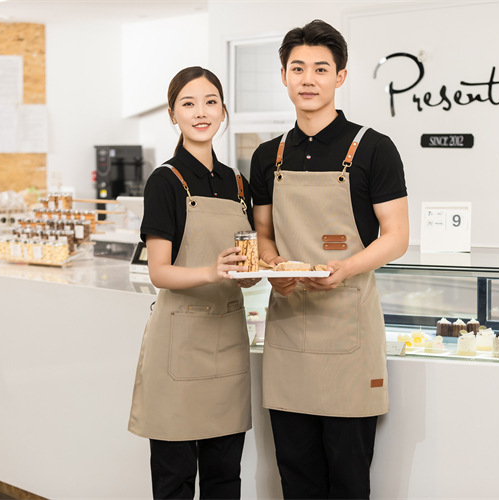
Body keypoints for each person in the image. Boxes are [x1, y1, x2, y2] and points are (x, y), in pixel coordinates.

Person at [249, 20, 410, 499]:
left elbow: (397, 237)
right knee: (295, 478)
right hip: (288, 333)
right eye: (298, 68)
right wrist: (274, 270)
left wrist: (346, 268)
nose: (308, 79)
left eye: (321, 69)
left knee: (348, 480)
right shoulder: (267, 156)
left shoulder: (374, 148)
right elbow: (264, 235)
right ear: (283, 76)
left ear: (340, 76)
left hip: (349, 331)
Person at [129, 66, 260, 500]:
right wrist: (212, 271)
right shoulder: (165, 181)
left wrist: (250, 274)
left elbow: (244, 267)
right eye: (188, 104)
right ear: (173, 115)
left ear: (223, 111)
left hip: (228, 343)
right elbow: (159, 272)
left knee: (225, 479)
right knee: (175, 480)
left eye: (210, 102)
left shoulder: (238, 184)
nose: (200, 112)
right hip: (179, 347)